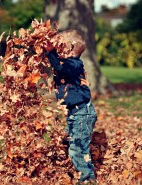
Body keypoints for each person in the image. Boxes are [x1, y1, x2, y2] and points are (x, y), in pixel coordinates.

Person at [44, 30, 97, 183]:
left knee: (78, 147)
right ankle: (80, 167)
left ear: (70, 48)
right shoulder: (68, 64)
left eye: (61, 47)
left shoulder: (74, 64)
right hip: (75, 113)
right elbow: (57, 64)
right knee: (71, 141)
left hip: (82, 113)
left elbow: (60, 67)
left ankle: (87, 177)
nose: (58, 50)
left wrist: (50, 52)